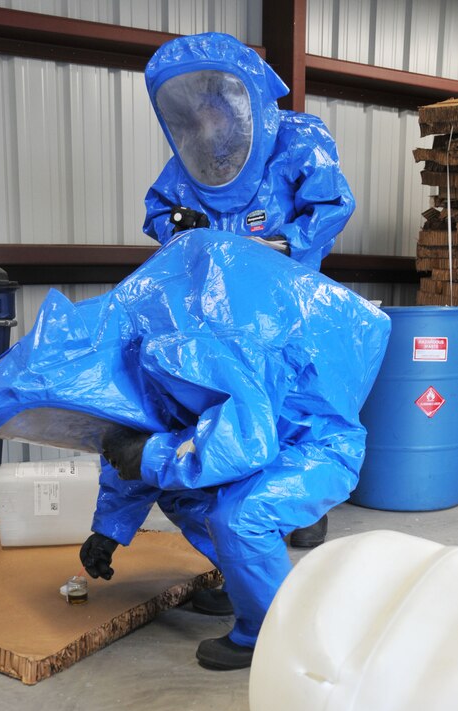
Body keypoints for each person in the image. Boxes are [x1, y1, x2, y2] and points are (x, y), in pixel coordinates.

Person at [79, 33, 360, 670]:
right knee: (187, 487)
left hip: (282, 329)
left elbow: (225, 438)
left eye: (216, 112)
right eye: (192, 118)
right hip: (233, 324)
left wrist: (282, 250)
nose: (205, 128)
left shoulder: (297, 139)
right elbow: (152, 418)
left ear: (244, 103)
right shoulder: (182, 322)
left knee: (236, 504)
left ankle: (271, 623)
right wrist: (111, 524)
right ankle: (244, 578)